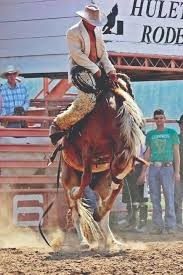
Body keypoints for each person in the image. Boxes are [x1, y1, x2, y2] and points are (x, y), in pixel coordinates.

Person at [49, 4, 117, 145]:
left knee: (118, 93)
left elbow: (103, 53)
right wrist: (95, 70)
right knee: (88, 100)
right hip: (79, 69)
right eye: (92, 22)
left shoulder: (98, 31)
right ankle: (58, 123)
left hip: (96, 68)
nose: (94, 25)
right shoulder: (73, 32)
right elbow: (77, 55)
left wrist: (111, 70)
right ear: (85, 20)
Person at [139, 109, 180, 234]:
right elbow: (147, 153)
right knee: (155, 197)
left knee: (169, 196)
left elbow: (176, 153)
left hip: (168, 167)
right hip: (153, 168)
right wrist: (142, 173)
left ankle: (171, 225)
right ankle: (157, 225)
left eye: (161, 118)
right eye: (157, 118)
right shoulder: (150, 135)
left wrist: (177, 171)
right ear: (154, 120)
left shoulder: (172, 133)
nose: (159, 120)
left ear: (165, 119)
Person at [121, 147, 148, 233]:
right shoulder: (125, 138)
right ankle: (132, 222)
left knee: (141, 199)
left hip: (139, 167)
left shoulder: (142, 138)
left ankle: (142, 223)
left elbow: (146, 156)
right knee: (130, 198)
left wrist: (143, 173)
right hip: (127, 168)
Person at [174, 114, 183, 229]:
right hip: (178, 173)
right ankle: (178, 222)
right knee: (177, 198)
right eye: (181, 124)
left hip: (178, 172)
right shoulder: (175, 138)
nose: (182, 126)